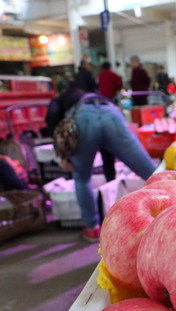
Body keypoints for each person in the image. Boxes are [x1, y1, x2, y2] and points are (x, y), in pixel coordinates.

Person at [45, 86, 157, 242]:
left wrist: (63, 155)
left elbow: (52, 116)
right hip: (111, 114)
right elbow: (107, 151)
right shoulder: (89, 94)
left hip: (83, 119)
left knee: (82, 178)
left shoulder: (59, 100)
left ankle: (91, 228)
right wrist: (110, 175)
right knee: (152, 172)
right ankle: (175, 205)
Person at [98, 61, 124, 182]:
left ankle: (110, 178)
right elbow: (119, 83)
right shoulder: (113, 75)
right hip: (111, 104)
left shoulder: (101, 76)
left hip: (101, 105)